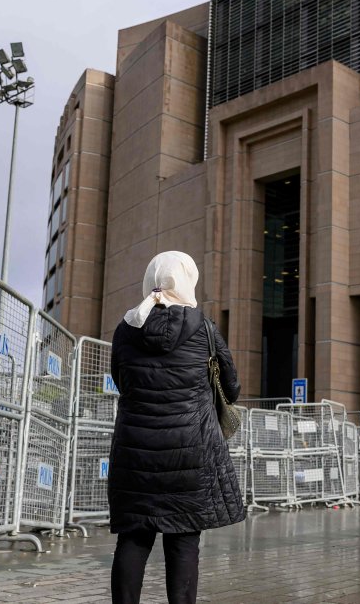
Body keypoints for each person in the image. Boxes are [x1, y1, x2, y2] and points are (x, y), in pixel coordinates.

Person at [107, 251, 246, 604]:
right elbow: (231, 388)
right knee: (184, 540)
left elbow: (121, 381)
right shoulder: (204, 328)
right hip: (191, 452)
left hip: (135, 452)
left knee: (133, 538)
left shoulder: (126, 328)